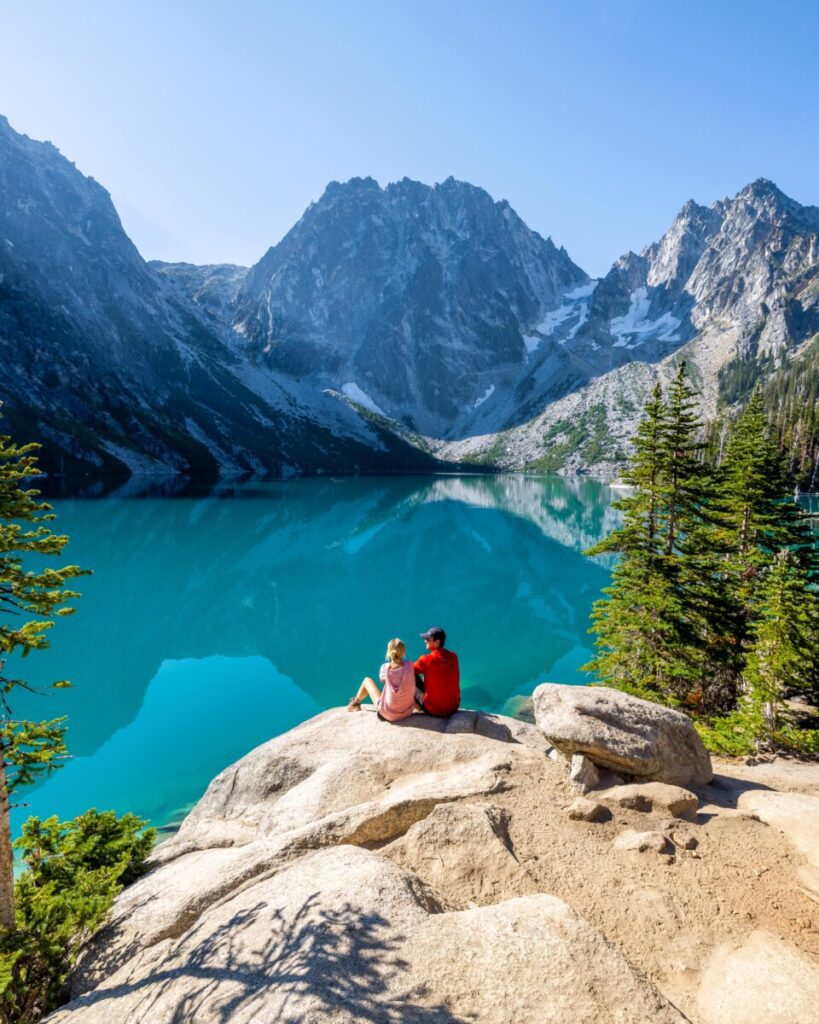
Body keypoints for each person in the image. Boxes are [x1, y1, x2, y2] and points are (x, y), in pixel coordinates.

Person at [347, 637, 418, 722]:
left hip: (388, 715)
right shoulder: (410, 665)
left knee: (367, 680)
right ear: (404, 652)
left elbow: (383, 680)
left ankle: (355, 703)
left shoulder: (385, 668)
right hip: (407, 712)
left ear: (389, 652)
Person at [413, 626, 460, 717]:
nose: (425, 640)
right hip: (454, 707)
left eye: (428, 639)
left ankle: (406, 707)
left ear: (437, 642)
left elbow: (408, 671)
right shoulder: (454, 656)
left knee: (409, 676)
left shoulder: (426, 660)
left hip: (435, 710)